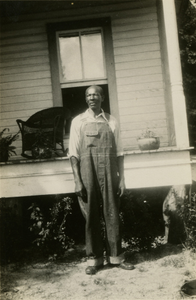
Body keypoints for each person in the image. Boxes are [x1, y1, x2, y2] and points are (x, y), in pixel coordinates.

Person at [69, 85, 134, 275]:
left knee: (112, 213)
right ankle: (94, 260)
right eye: (89, 95)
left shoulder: (112, 121)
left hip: (109, 171)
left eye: (96, 94)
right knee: (91, 216)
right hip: (87, 172)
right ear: (85, 99)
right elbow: (73, 154)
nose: (92, 98)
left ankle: (116, 258)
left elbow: (120, 153)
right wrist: (77, 180)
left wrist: (122, 179)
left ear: (102, 97)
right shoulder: (77, 122)